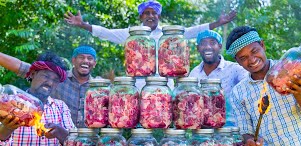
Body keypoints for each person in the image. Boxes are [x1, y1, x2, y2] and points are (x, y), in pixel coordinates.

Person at [64, 0, 237, 91]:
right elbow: (107, 33)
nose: (150, 16)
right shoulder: (132, 34)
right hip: (138, 86)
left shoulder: (168, 34)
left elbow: (193, 31)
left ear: (159, 16)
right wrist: (83, 25)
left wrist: (217, 23)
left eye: (154, 13)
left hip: (165, 86)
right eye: (146, 13)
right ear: (141, 17)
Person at [226, 26, 301, 146]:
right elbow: (246, 132)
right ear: (237, 61)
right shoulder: (238, 93)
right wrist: (249, 142)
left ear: (262, 45)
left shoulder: (294, 68)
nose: (251, 60)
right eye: (243, 58)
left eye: (254, 51)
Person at [0, 52, 75, 146]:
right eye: (46, 76)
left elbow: (76, 144)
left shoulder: (60, 107)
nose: (50, 83)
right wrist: (7, 128)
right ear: (33, 74)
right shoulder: (12, 101)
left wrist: (61, 133)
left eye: (55, 80)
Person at [0, 45, 97, 127]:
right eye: (81, 57)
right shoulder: (58, 74)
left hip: (84, 144)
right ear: (73, 60)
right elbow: (22, 67)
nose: (85, 61)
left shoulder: (99, 89)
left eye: (90, 58)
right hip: (54, 140)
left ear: (94, 63)